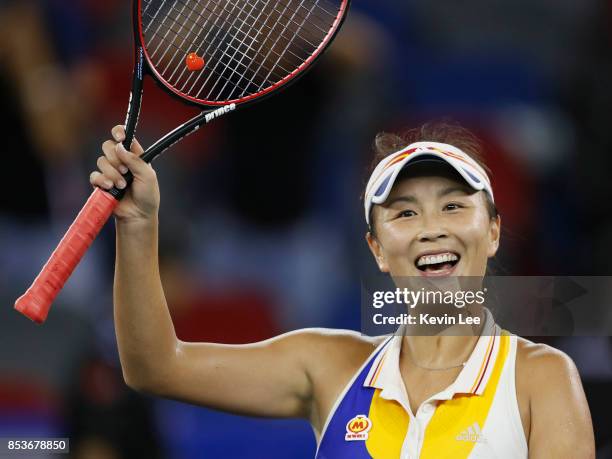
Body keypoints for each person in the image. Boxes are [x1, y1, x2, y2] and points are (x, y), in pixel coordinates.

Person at [90, 121, 595, 458]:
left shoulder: (542, 380)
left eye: (453, 206)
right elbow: (155, 366)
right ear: (377, 248)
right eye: (405, 213)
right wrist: (137, 225)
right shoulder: (327, 365)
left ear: (493, 233)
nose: (431, 227)